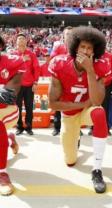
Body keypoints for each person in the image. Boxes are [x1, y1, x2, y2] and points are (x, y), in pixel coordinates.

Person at [48, 26, 110, 193]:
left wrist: (90, 70)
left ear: (95, 51)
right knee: (70, 161)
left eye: (89, 48)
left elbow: (97, 101)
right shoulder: (59, 63)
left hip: (87, 112)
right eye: (82, 46)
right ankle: (74, 140)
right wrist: (82, 105)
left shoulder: (101, 65)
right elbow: (53, 104)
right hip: (69, 115)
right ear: (74, 47)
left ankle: (97, 169)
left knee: (99, 112)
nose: (85, 50)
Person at [0, 35, 26, 195]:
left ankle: (2, 172)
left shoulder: (12, 61)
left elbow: (8, 95)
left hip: (7, 110)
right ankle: (9, 138)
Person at [13, 33, 40, 136]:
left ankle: (29, 127)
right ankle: (19, 127)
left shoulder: (31, 54)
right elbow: (11, 69)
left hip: (29, 86)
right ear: (16, 42)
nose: (21, 40)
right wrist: (21, 60)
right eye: (19, 39)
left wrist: (36, 82)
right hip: (17, 86)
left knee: (29, 107)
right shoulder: (13, 55)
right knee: (18, 107)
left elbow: (36, 69)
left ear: (26, 41)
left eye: (23, 39)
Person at [50, 26, 73, 136]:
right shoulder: (58, 46)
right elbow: (52, 60)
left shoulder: (77, 47)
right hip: (60, 79)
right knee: (58, 103)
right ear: (63, 35)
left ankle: (77, 127)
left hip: (72, 80)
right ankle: (57, 127)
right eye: (67, 34)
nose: (68, 35)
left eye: (70, 34)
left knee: (72, 103)